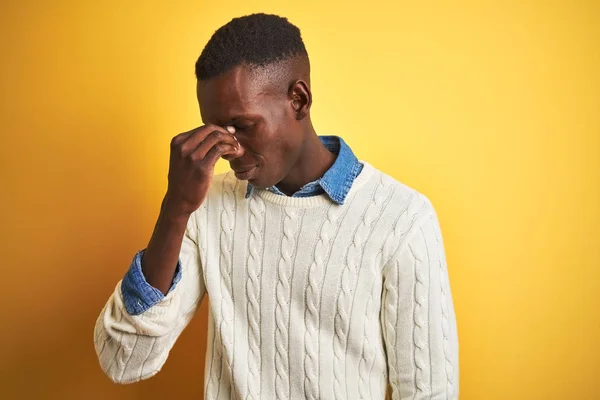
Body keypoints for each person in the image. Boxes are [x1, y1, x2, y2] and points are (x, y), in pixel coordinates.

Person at [94, 13, 459, 400]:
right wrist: (176, 209)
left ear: (298, 100)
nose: (228, 150)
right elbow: (124, 361)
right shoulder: (205, 207)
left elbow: (429, 391)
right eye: (215, 131)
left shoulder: (402, 219)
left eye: (242, 126)